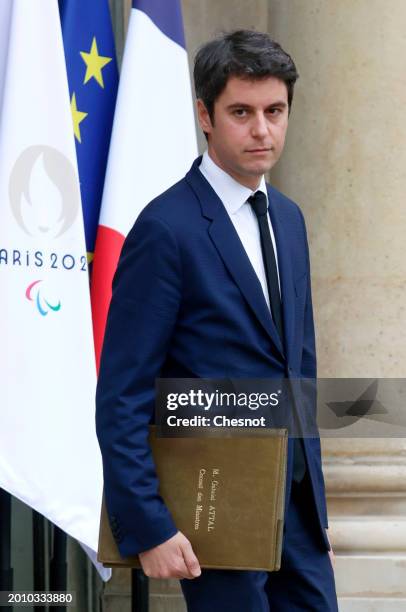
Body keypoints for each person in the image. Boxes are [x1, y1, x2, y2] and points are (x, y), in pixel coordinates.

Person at [96, 29, 339, 611]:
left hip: (297, 514)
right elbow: (122, 396)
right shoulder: (165, 230)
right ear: (205, 116)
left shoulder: (289, 217)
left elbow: (297, 368)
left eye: (274, 111)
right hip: (212, 510)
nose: (262, 129)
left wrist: (318, 516)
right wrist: (148, 526)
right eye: (241, 112)